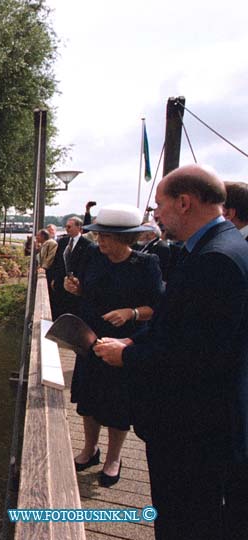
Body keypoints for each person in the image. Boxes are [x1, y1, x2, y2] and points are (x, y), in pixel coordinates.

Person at [94, 165, 248, 540]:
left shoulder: (215, 260)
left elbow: (198, 356)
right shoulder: (225, 247)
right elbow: (185, 327)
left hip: (193, 427)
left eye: (159, 205)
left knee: (186, 518)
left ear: (184, 202)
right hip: (206, 421)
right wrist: (136, 340)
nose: (155, 215)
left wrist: (127, 356)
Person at [64, 204, 163, 488]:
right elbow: (87, 289)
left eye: (105, 236)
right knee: (89, 399)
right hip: (91, 337)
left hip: (123, 343)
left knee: (118, 403)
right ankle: (90, 449)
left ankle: (113, 459)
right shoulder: (94, 256)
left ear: (124, 238)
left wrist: (130, 312)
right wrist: (76, 288)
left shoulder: (147, 264)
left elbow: (157, 308)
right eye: (99, 235)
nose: (99, 240)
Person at [48, 216, 91, 316]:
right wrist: (54, 279)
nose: (67, 229)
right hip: (60, 285)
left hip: (75, 288)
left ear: (79, 228)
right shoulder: (62, 242)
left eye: (69, 227)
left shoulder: (87, 245)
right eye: (66, 227)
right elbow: (57, 262)